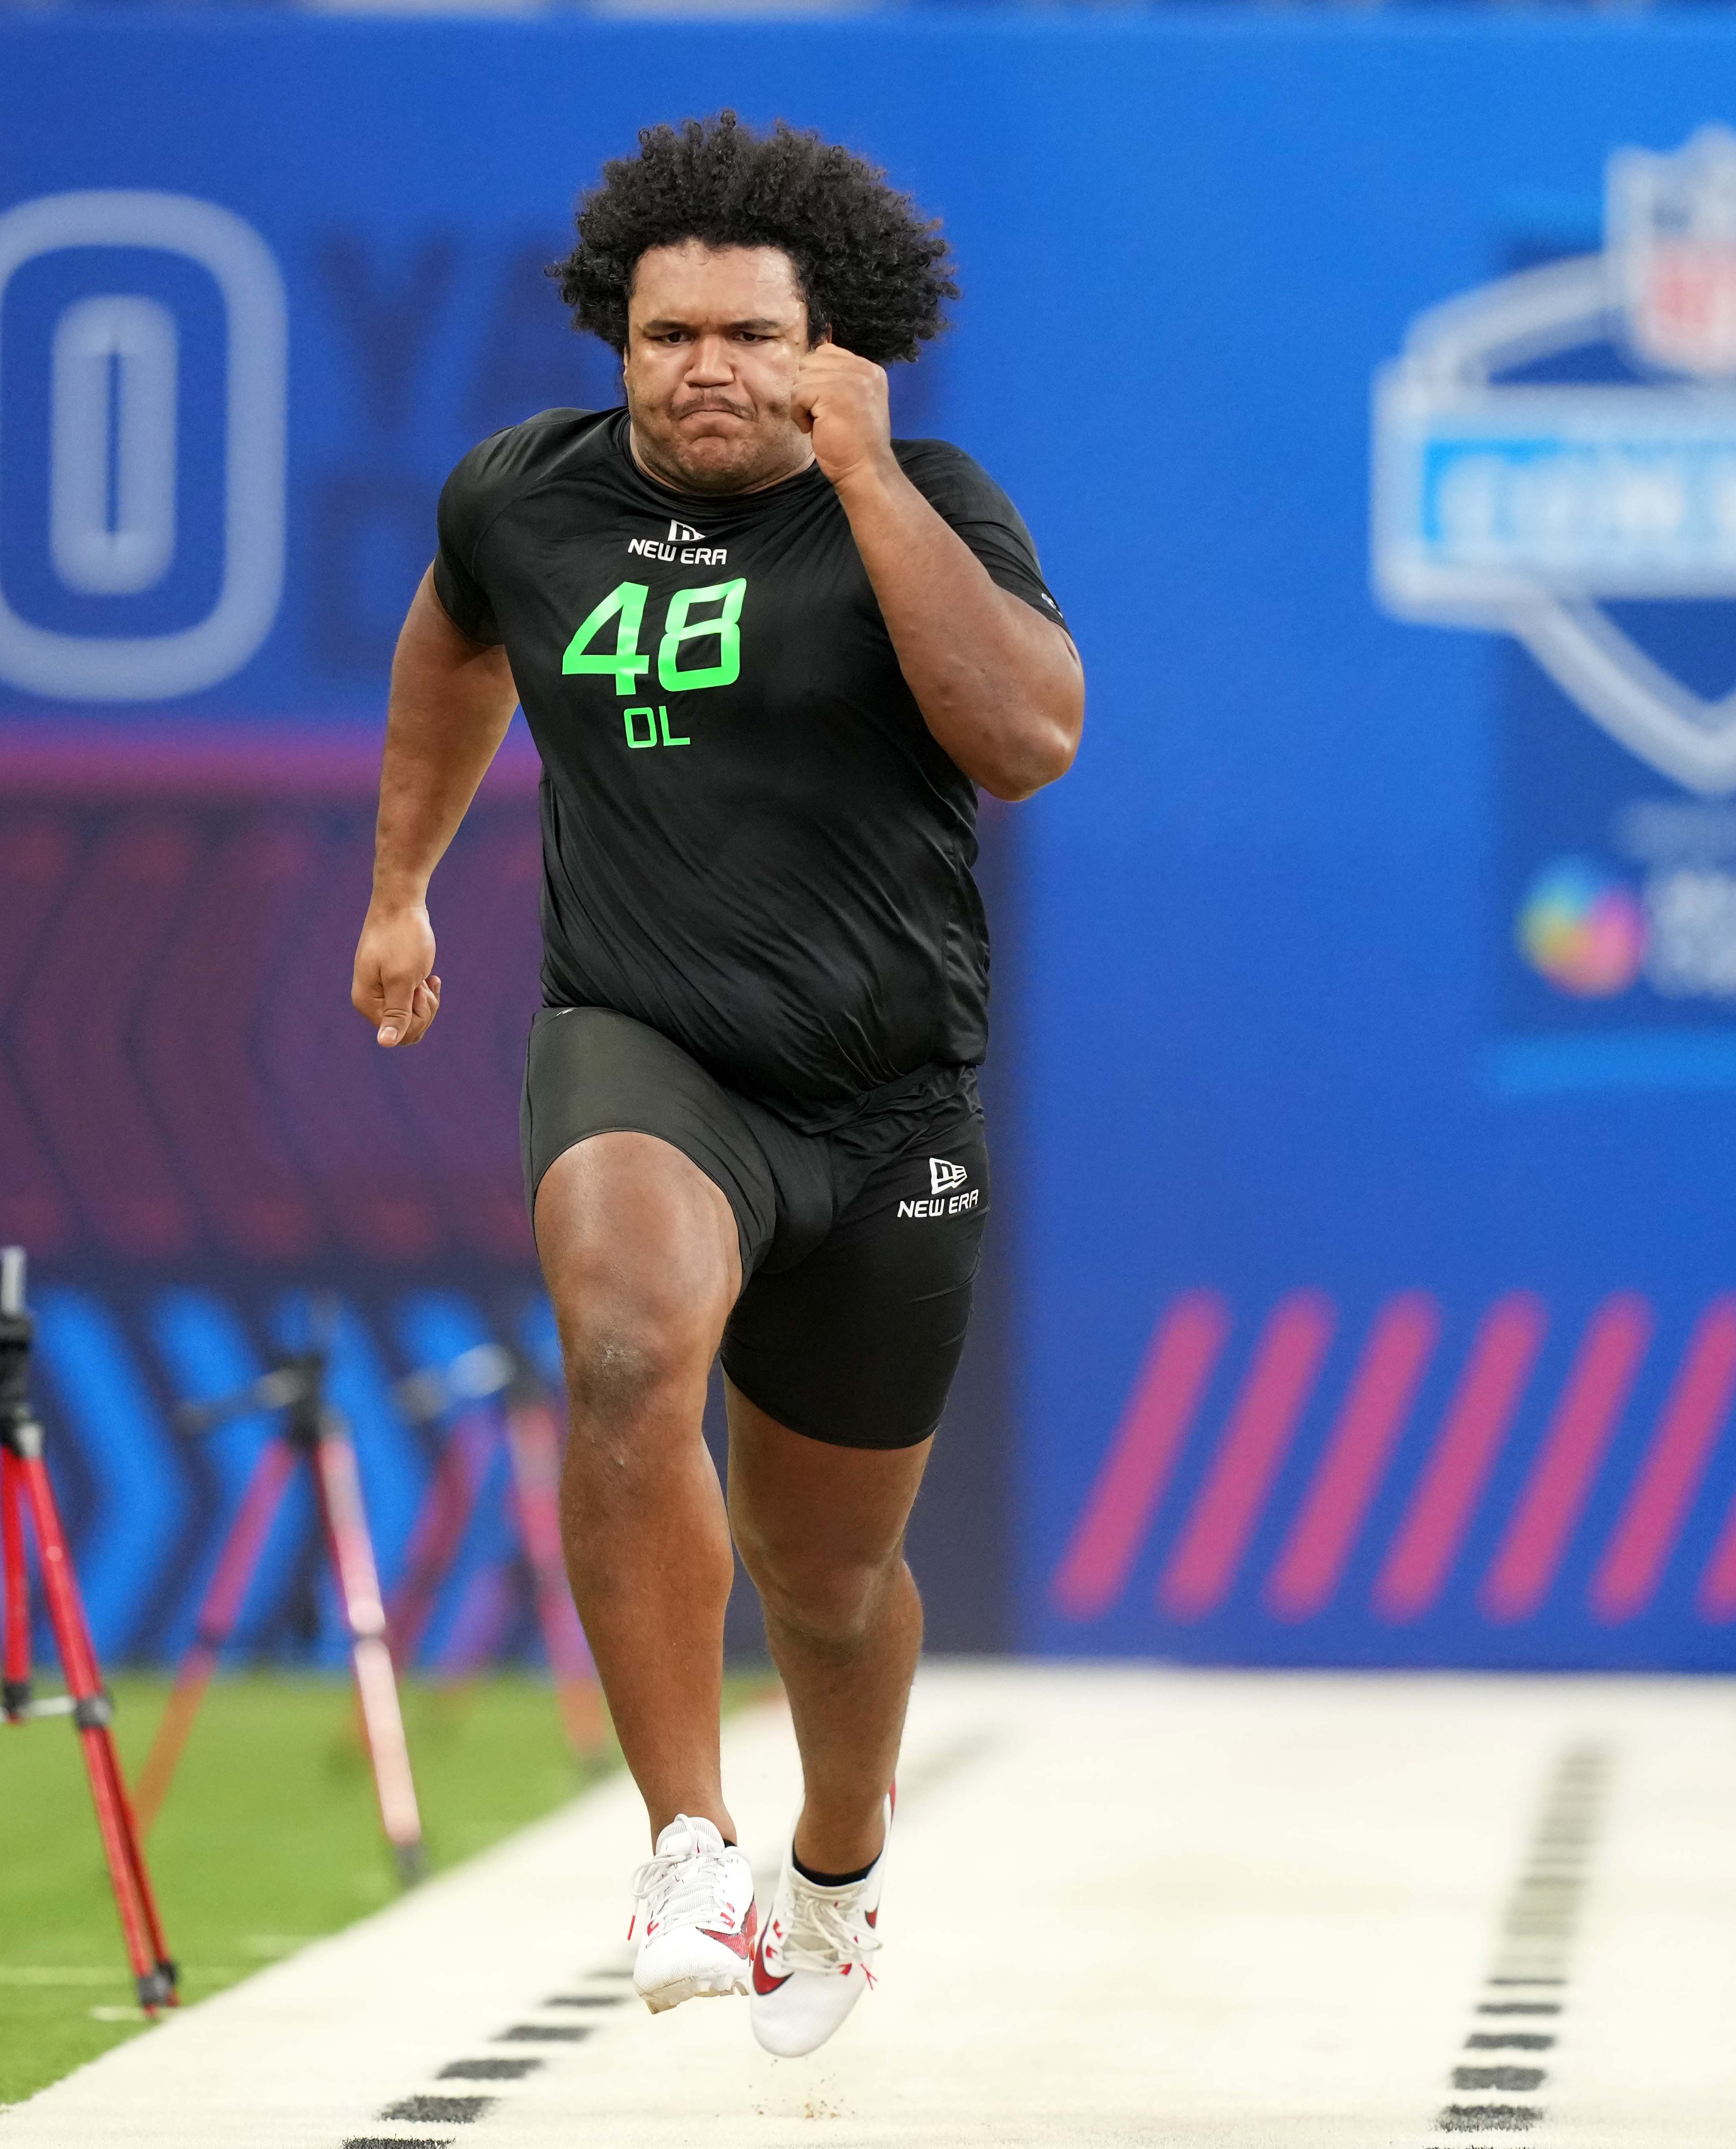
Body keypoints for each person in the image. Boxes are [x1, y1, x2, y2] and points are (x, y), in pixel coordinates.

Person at [351, 112, 1082, 2058]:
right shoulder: (524, 497)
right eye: (670, 335)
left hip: (885, 1102)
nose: (707, 371)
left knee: (830, 1578)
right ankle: (683, 1833)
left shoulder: (926, 496)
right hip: (647, 1042)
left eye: (752, 335)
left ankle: (834, 1863)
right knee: (621, 1335)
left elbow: (1026, 737)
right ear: (619, 337)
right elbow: (451, 652)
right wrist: (401, 884)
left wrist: (868, 484)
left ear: (834, 346)